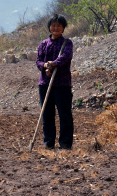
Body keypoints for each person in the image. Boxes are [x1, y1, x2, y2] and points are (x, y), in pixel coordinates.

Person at [35, 14, 74, 150]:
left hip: (62, 84)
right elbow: (38, 61)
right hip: (45, 84)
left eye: (59, 26)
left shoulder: (67, 43)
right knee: (47, 114)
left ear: (63, 28)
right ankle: (49, 142)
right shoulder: (43, 44)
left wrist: (53, 64)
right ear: (49, 27)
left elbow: (65, 57)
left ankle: (65, 143)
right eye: (53, 25)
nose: (55, 28)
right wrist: (46, 66)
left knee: (65, 114)